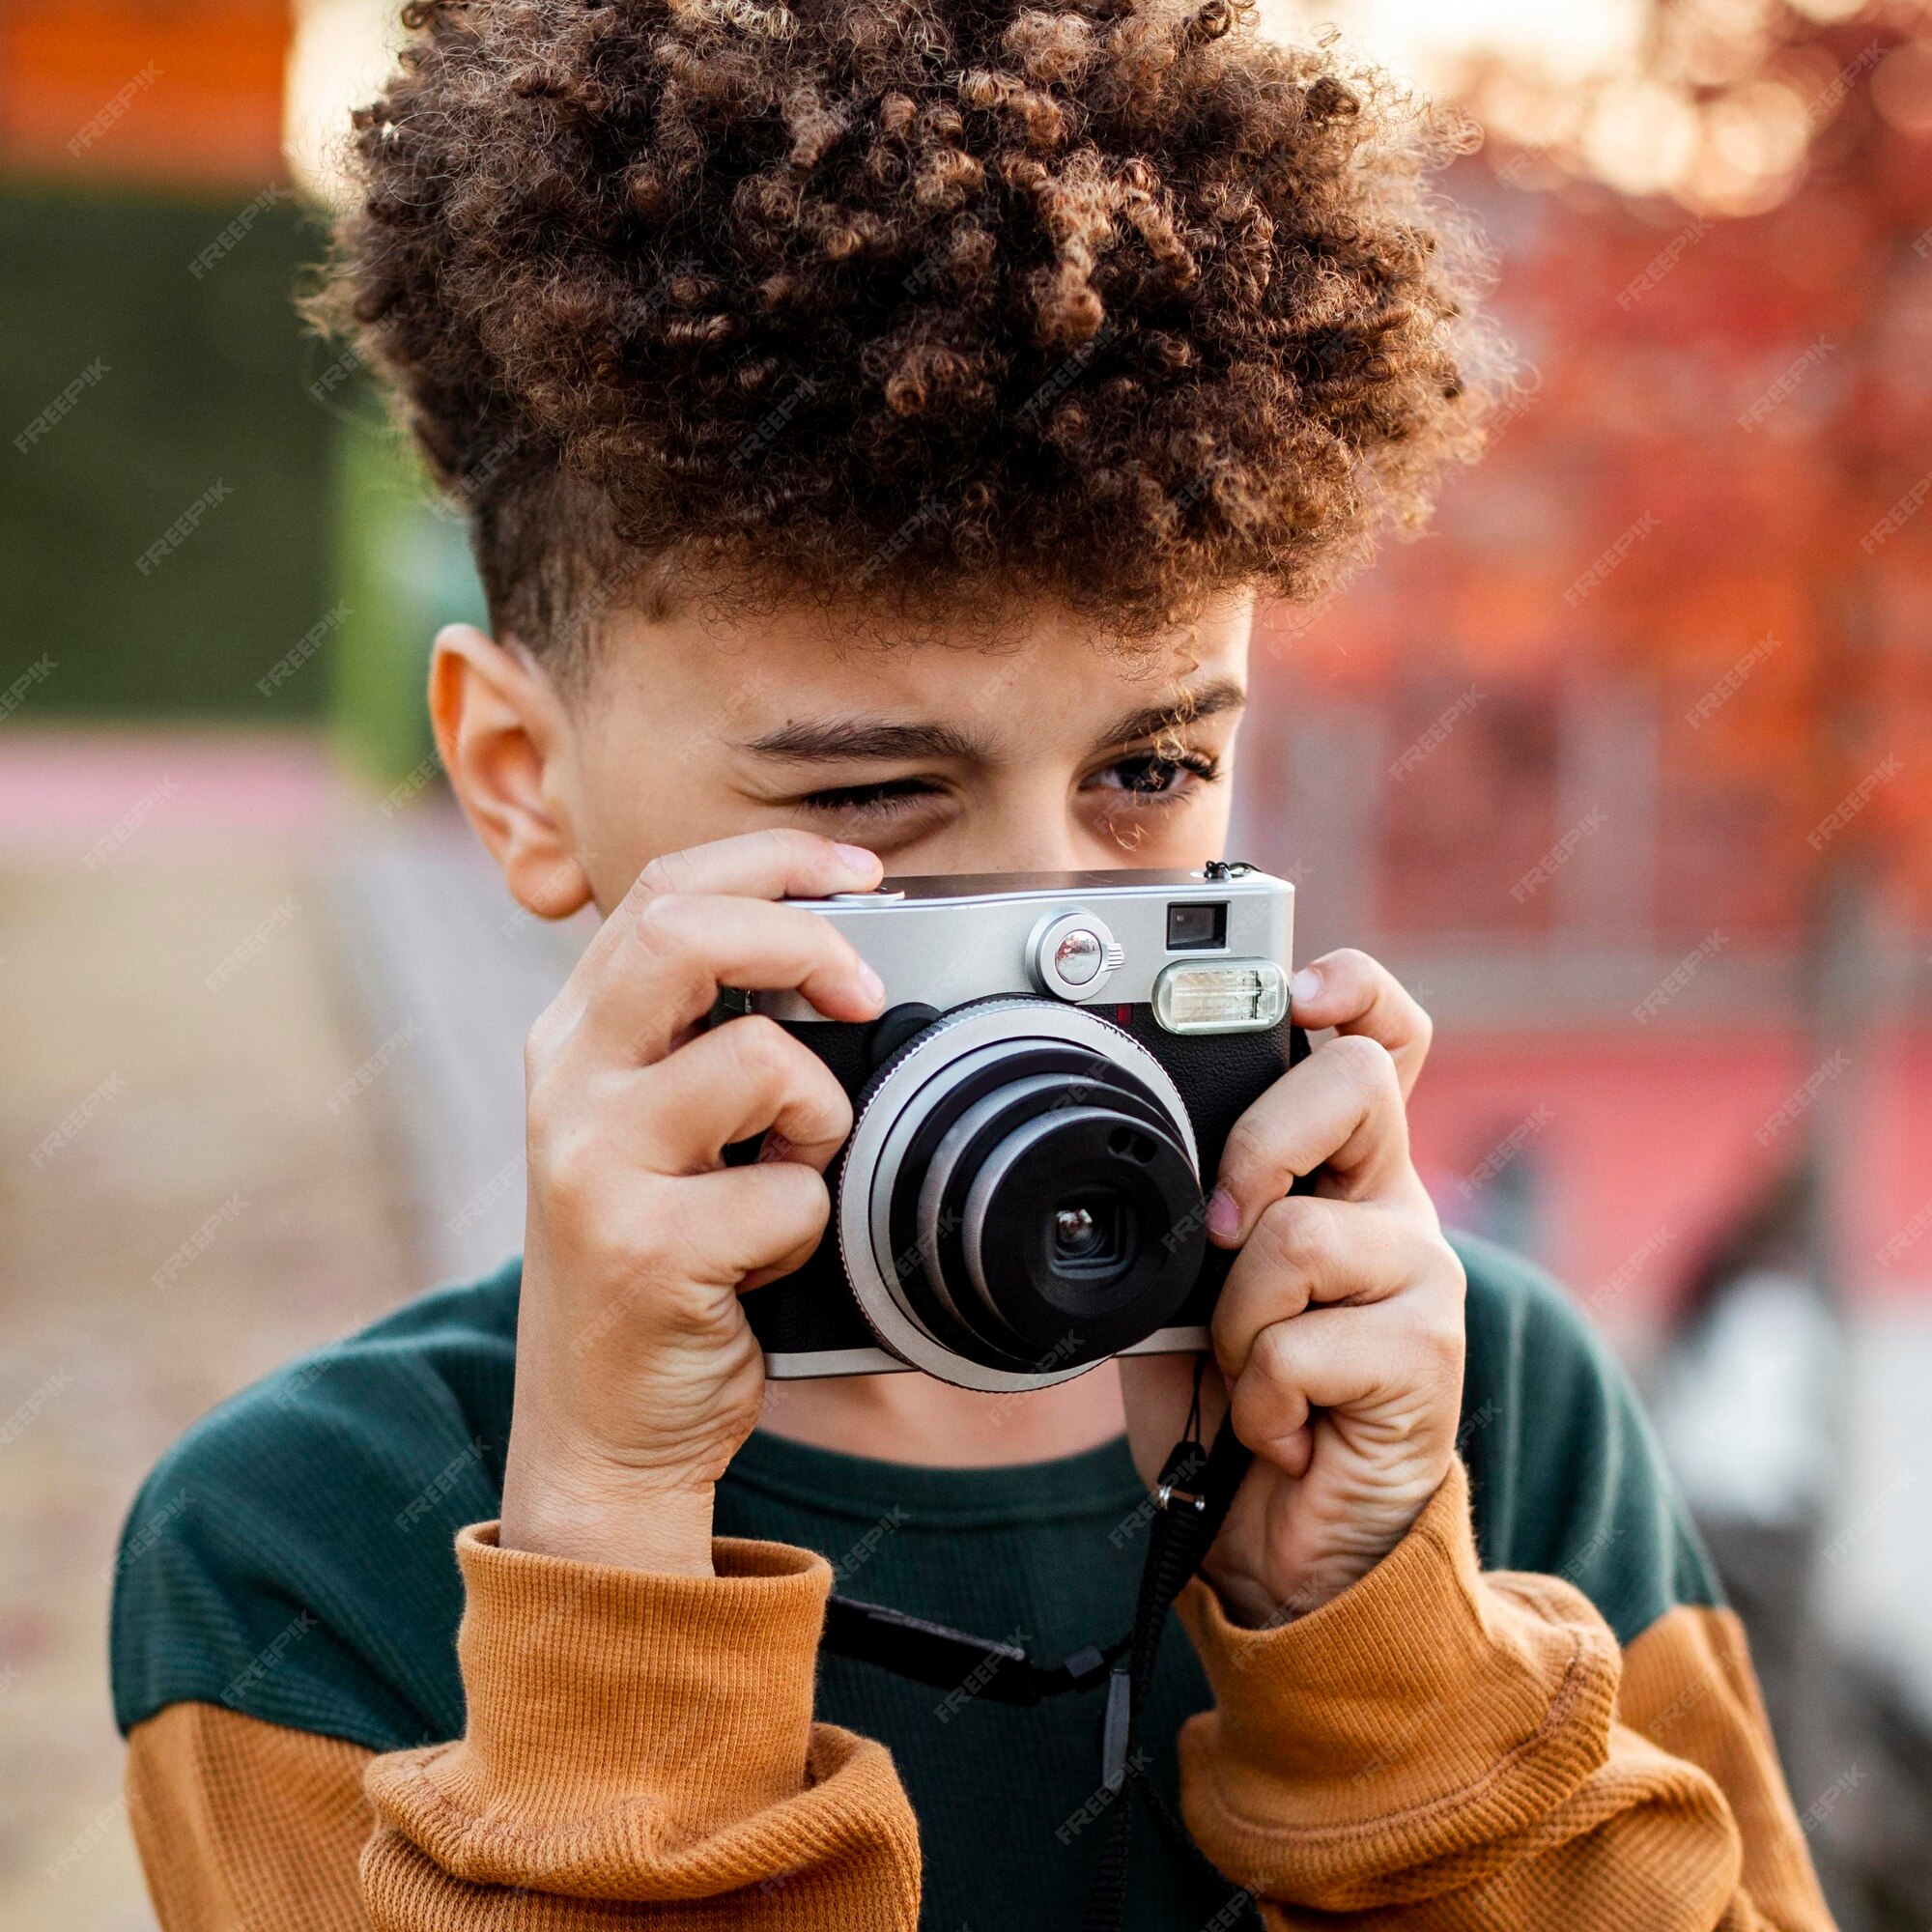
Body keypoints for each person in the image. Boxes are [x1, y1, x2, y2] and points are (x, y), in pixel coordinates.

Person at [110, 0, 1833, 1924]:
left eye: (1153, 769)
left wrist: (1382, 1651)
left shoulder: (1480, 1406)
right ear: (520, 779)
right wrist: (608, 1568)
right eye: (878, 792)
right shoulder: (306, 1543)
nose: (1047, 926)